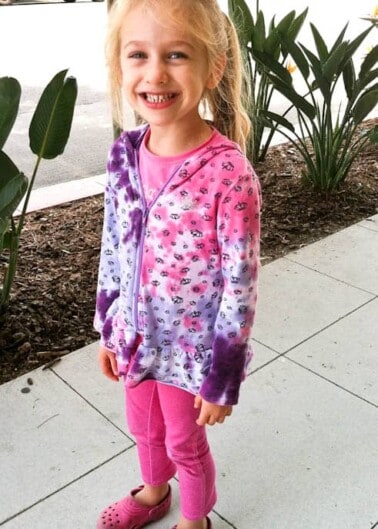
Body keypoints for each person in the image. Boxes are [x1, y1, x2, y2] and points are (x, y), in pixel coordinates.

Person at [94, 1, 261, 528]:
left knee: (185, 443)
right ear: (120, 66)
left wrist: (223, 376)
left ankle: (196, 519)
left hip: (189, 354)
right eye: (138, 55)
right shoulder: (124, 153)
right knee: (144, 430)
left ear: (213, 67)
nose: (155, 74)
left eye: (177, 55)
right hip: (135, 338)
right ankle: (152, 491)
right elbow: (114, 244)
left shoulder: (228, 174)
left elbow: (241, 286)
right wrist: (108, 325)